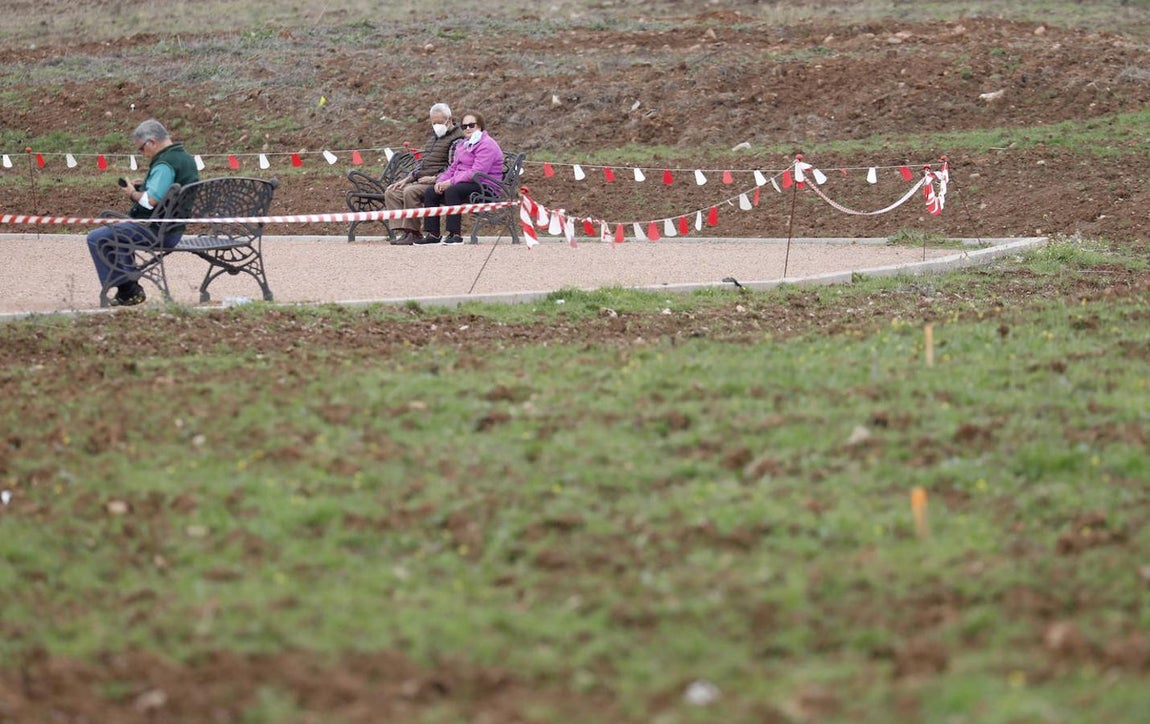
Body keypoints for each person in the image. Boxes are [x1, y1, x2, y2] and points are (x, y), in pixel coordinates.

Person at [87, 119, 199, 306]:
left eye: (141, 149)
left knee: (97, 238)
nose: (142, 153)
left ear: (152, 142)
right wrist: (146, 186)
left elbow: (149, 202)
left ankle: (128, 290)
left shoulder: (164, 164)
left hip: (157, 231)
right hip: (174, 228)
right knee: (120, 233)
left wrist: (132, 193)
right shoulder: (185, 158)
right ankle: (128, 288)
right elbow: (165, 192)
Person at [415, 111, 503, 245]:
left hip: (485, 185)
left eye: (471, 125)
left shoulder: (487, 144)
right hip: (465, 183)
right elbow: (453, 168)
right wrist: (440, 181)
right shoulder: (463, 145)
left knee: (453, 190)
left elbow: (477, 172)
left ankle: (454, 234)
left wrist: (450, 182)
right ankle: (433, 234)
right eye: (464, 126)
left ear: (480, 126)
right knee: (431, 191)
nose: (467, 129)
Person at [384, 103, 465, 245]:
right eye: (433, 123)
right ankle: (404, 231)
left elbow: (454, 167)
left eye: (439, 122)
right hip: (423, 179)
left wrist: (434, 179)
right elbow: (423, 163)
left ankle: (414, 232)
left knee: (410, 191)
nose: (436, 126)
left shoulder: (457, 140)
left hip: (439, 182)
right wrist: (407, 179)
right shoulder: (433, 139)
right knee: (392, 192)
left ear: (449, 119)